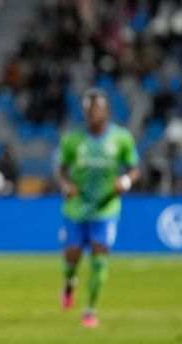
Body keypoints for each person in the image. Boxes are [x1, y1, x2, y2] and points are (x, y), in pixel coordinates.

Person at [57, 88, 139, 328]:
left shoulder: (121, 138)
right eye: (89, 110)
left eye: (98, 109)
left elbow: (134, 167)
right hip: (77, 207)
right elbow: (61, 169)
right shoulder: (73, 140)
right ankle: (69, 282)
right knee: (72, 257)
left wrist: (125, 181)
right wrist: (65, 185)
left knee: (99, 255)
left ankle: (90, 311)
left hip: (106, 207)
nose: (94, 114)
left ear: (107, 112)